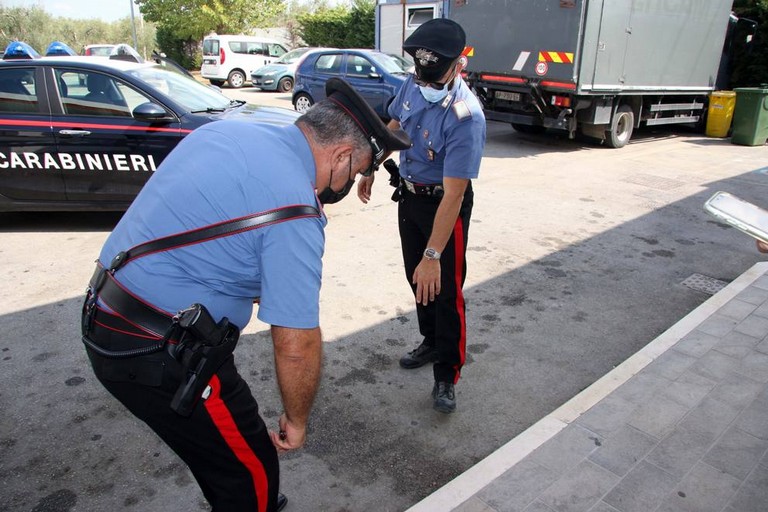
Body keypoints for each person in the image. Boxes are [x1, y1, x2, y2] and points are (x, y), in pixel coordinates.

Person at [80, 77, 410, 512]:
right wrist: (297, 419)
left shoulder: (228, 130)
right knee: (251, 470)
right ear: (342, 154)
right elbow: (296, 344)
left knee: (219, 448)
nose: (353, 180)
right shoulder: (294, 212)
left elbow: (196, 218)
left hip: (103, 308)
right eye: (360, 169)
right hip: (155, 348)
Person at [358, 18, 486, 413]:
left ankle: (447, 374)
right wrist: (372, 164)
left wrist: (434, 255)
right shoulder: (414, 82)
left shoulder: (467, 117)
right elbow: (395, 125)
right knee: (416, 279)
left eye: (436, 80)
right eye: (422, 78)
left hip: (443, 207)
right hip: (410, 198)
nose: (426, 86)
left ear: (458, 66)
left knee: (445, 290)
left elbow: (454, 194)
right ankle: (430, 342)